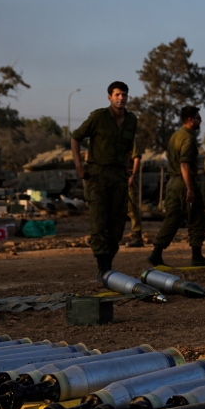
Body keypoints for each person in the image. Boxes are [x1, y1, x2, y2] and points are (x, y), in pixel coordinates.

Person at [71, 81, 138, 277]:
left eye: (124, 95)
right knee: (99, 222)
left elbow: (128, 148)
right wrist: (78, 165)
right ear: (110, 97)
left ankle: (108, 261)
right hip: (98, 176)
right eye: (117, 94)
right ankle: (103, 267)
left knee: (117, 224)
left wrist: (127, 170)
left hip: (118, 177)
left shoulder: (131, 120)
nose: (121, 98)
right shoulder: (99, 117)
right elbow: (76, 137)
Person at [148, 106, 205, 267]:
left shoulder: (176, 136)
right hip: (184, 182)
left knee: (172, 219)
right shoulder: (188, 139)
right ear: (190, 119)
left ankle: (157, 252)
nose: (201, 120)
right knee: (197, 218)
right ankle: (196, 256)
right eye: (198, 117)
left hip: (173, 183)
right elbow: (184, 164)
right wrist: (190, 188)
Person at [125, 146, 145, 248]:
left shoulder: (130, 139)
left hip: (127, 176)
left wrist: (133, 175)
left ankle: (138, 237)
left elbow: (136, 158)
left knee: (131, 207)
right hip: (115, 175)